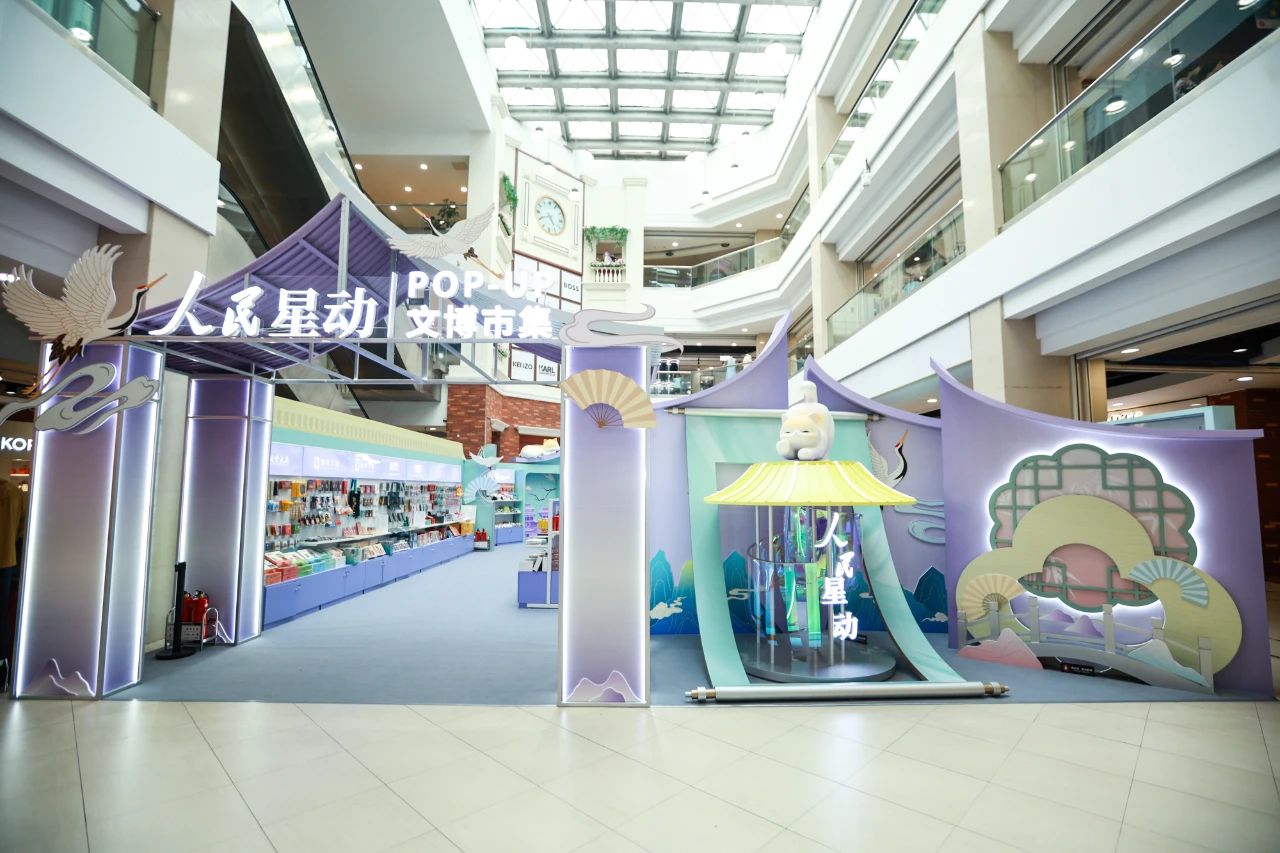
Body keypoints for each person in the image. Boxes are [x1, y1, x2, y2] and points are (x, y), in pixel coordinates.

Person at [0, 475, 27, 692]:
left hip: (7, 560)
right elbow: (22, 527)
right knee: (1, 616)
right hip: (6, 560)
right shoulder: (15, 494)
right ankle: (1, 674)